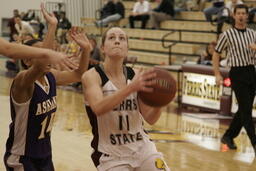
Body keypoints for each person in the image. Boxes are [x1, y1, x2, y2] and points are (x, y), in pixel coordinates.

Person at [4, 4, 91, 171]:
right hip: (22, 157)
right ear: (27, 61)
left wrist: (86, 49)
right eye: (40, 53)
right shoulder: (22, 81)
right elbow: (42, 62)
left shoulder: (51, 76)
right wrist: (52, 26)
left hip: (45, 155)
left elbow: (79, 74)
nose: (47, 55)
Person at [82, 27, 170, 170]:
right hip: (110, 154)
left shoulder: (136, 75)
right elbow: (98, 108)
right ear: (103, 48)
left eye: (122, 38)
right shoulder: (92, 76)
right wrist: (130, 88)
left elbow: (150, 119)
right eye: (112, 38)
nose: (117, 41)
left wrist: (160, 102)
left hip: (143, 148)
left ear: (127, 49)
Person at [212, 4, 256, 155]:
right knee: (246, 111)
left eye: (244, 13)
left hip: (252, 71)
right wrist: (217, 74)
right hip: (237, 73)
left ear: (247, 16)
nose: (242, 16)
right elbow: (216, 54)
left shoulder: (253, 33)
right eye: (239, 14)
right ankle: (255, 143)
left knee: (245, 109)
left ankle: (228, 136)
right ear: (234, 15)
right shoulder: (228, 34)